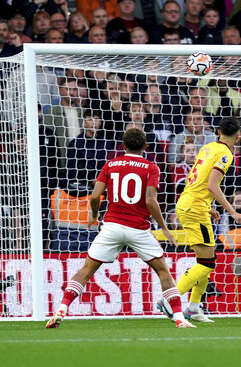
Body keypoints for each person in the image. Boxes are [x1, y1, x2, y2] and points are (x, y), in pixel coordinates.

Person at [46, 128, 194, 329]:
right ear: (145, 147)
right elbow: (150, 200)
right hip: (138, 229)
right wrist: (164, 228)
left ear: (123, 146)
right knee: (163, 272)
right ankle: (179, 318)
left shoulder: (110, 165)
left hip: (112, 226)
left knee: (86, 270)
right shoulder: (151, 167)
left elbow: (96, 196)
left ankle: (61, 309)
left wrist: (95, 214)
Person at [165, 117, 241, 323]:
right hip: (194, 208)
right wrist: (233, 211)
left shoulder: (208, 147)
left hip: (192, 203)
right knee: (207, 262)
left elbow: (197, 178)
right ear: (238, 136)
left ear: (218, 133)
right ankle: (169, 299)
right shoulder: (226, 154)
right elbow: (212, 185)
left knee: (206, 261)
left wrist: (209, 207)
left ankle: (193, 307)